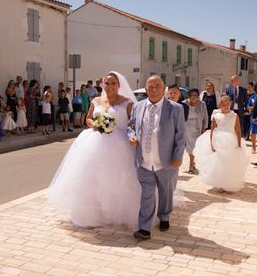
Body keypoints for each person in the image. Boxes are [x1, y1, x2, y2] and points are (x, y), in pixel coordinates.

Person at [48, 71, 140, 228]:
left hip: (119, 145)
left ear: (119, 85)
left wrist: (132, 137)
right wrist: (96, 124)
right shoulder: (96, 101)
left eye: (113, 83)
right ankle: (94, 210)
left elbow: (133, 123)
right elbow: (88, 118)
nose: (110, 86)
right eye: (107, 83)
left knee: (116, 177)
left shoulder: (127, 103)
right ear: (103, 85)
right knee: (92, 176)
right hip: (94, 141)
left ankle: (115, 210)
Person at [128, 75, 186, 240]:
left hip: (166, 161)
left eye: (157, 86)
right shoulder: (138, 107)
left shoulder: (176, 108)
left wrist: (178, 156)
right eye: (150, 87)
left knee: (166, 192)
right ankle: (144, 228)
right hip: (144, 161)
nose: (153, 90)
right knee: (147, 194)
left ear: (164, 88)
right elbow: (131, 125)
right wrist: (131, 135)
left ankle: (165, 216)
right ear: (146, 89)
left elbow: (180, 135)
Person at [193, 95, 249, 192]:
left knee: (230, 164)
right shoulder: (216, 116)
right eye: (223, 105)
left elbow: (238, 131)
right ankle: (220, 183)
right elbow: (212, 130)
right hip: (218, 142)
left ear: (231, 104)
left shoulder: (234, 116)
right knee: (219, 163)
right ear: (220, 105)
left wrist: (239, 144)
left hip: (231, 142)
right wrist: (211, 143)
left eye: (228, 104)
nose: (226, 106)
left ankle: (228, 183)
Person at [182, 88, 209, 174]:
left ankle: (192, 163)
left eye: (196, 96)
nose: (193, 98)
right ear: (188, 97)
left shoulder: (202, 104)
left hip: (197, 127)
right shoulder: (183, 104)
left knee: (194, 146)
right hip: (186, 128)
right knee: (189, 146)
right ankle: (191, 163)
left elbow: (205, 117)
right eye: (191, 96)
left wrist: (204, 128)